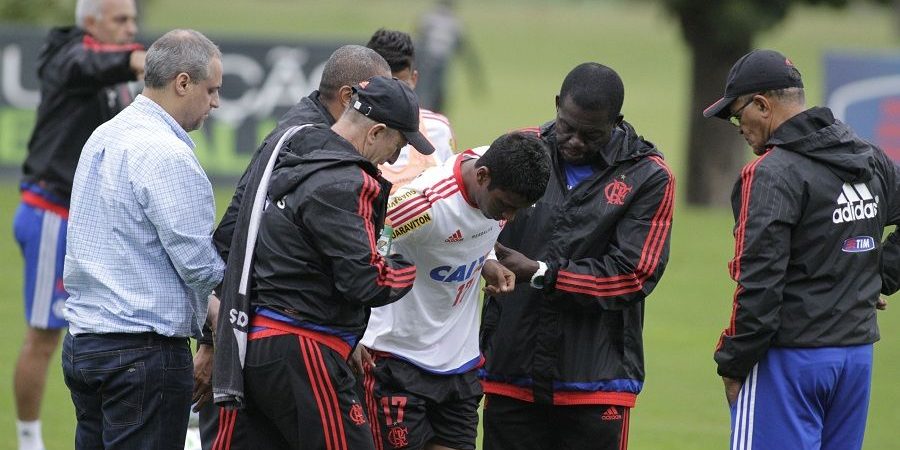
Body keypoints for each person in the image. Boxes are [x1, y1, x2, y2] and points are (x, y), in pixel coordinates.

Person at [211, 76, 435, 449]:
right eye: (397, 146)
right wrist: (408, 266)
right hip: (305, 347)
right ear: (376, 132)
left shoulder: (292, 151)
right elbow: (368, 280)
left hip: (255, 342)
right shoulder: (347, 181)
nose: (394, 160)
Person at [703, 49, 900, 450]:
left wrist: (733, 362)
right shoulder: (866, 155)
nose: (738, 127)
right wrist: (876, 274)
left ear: (762, 105)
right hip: (855, 358)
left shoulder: (772, 173)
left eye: (738, 115)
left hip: (789, 360)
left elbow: (758, 280)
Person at [478, 62, 675, 450]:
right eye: (567, 127)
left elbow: (633, 275)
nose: (574, 142)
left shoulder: (647, 176)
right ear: (556, 106)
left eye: (591, 134)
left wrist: (542, 273)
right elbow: (475, 221)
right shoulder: (521, 150)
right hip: (510, 369)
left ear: (616, 122)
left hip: (595, 382)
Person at [61, 29, 225, 449]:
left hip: (86, 346)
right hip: (141, 354)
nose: (216, 103)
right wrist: (234, 315)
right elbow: (198, 264)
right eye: (211, 90)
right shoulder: (166, 152)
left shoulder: (104, 134)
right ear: (183, 82)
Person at [356, 131, 550, 450]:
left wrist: (486, 260)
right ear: (482, 176)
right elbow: (366, 251)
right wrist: (352, 333)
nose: (508, 217)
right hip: (396, 359)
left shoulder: (500, 165)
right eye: (505, 205)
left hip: (460, 364)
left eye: (520, 210)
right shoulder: (422, 205)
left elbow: (470, 231)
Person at [12, 1, 145, 449]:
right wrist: (133, 59)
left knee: (102, 330)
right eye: (120, 20)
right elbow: (86, 63)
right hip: (52, 211)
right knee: (44, 336)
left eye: (132, 20)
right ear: (90, 22)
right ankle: (29, 441)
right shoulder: (67, 54)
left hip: (91, 219)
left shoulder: (118, 73)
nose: (131, 28)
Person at [366, 28, 457, 190]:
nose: (393, 96)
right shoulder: (349, 135)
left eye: (401, 85)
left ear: (414, 79)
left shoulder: (438, 129)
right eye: (384, 86)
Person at [414, 0, 484, 113]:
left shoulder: (427, 18)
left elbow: (415, 44)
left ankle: (423, 119)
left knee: (424, 96)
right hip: (438, 65)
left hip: (425, 64)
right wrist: (477, 80)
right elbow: (466, 54)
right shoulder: (455, 23)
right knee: (436, 98)